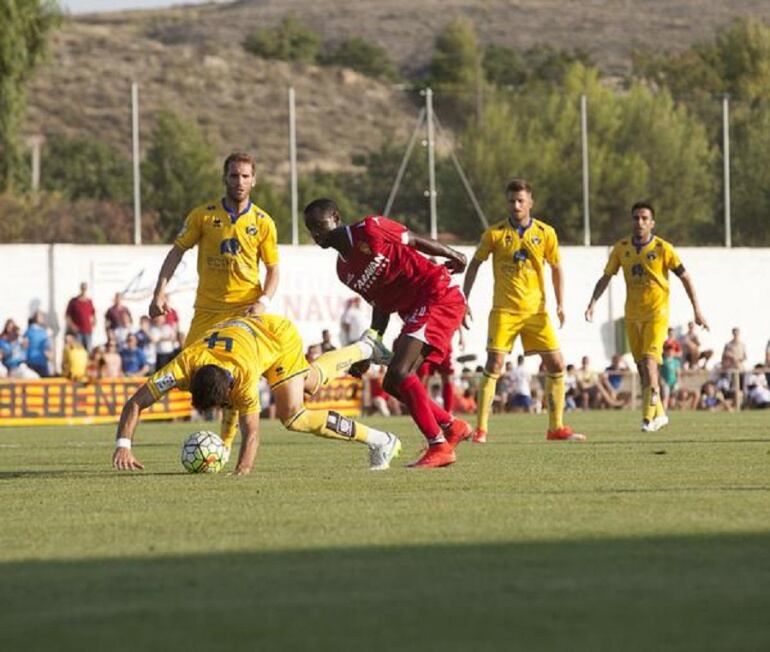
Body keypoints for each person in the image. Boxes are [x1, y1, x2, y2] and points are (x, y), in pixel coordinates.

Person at [112, 315, 401, 474]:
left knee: (294, 416)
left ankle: (380, 441)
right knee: (310, 383)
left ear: (230, 389)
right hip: (246, 332)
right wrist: (123, 444)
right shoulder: (182, 366)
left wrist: (241, 472)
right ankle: (365, 348)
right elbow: (136, 402)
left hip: (277, 337)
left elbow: (252, 433)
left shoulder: (245, 377)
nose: (221, 408)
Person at [304, 198, 473, 469]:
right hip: (415, 311)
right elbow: (380, 305)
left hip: (436, 295)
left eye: (319, 225)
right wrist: (370, 346)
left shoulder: (370, 228)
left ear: (336, 217)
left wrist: (454, 255)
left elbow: (414, 240)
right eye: (310, 229)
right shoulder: (343, 271)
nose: (316, 234)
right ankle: (452, 426)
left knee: (400, 372)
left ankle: (439, 445)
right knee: (392, 384)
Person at [148, 152, 282, 435]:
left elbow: (273, 271)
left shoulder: (263, 222)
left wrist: (263, 301)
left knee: (236, 378)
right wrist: (159, 292)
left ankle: (225, 443)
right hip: (208, 311)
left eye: (245, 176)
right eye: (234, 175)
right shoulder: (204, 215)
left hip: (245, 311)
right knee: (193, 375)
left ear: (254, 181)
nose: (239, 181)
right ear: (224, 178)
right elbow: (177, 252)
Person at [462, 179, 585, 443]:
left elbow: (556, 267)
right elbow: (474, 264)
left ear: (530, 202)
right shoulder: (494, 234)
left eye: (520, 201)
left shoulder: (545, 232)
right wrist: (464, 299)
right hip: (504, 311)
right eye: (511, 201)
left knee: (557, 364)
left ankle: (556, 428)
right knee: (494, 364)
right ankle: (481, 430)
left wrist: (561, 303)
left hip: (536, 313)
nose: (516, 205)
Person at [585, 201, 709, 432]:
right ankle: (659, 413)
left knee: (651, 361)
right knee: (641, 366)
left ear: (652, 223)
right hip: (632, 315)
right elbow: (606, 277)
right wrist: (593, 302)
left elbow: (685, 277)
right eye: (636, 218)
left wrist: (697, 310)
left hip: (656, 314)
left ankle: (647, 416)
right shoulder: (621, 248)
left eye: (644, 218)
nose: (639, 222)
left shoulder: (663, 248)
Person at [65, 282, 96, 352]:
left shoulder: (89, 301)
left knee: (88, 350)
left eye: (85, 288)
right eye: (82, 288)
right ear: (80, 288)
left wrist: (94, 323)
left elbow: (93, 313)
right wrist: (72, 326)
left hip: (88, 331)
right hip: (78, 332)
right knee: (78, 350)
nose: (84, 290)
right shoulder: (74, 301)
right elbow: (67, 316)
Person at [23, 310, 52, 378]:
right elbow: (24, 346)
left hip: (40, 362)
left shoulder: (44, 332)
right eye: (41, 316)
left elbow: (48, 348)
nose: (43, 318)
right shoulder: (30, 331)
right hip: (33, 363)